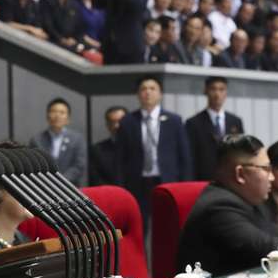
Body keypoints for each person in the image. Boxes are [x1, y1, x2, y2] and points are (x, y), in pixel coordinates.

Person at [176, 134, 278, 276]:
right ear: (240, 174)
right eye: (266, 169)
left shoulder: (248, 201)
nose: (271, 177)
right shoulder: (219, 205)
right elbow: (264, 247)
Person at [114, 75, 192, 226]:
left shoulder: (174, 120)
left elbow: (184, 156)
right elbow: (119, 158)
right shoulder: (127, 121)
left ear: (160, 93)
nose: (148, 92)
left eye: (152, 89)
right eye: (143, 89)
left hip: (167, 182)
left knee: (167, 226)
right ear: (138, 94)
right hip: (137, 184)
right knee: (137, 226)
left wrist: (185, 185)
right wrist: (120, 188)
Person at [185, 76, 245, 181]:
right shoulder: (194, 123)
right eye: (213, 89)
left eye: (221, 89)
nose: (217, 94)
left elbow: (240, 152)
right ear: (206, 91)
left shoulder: (235, 121)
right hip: (204, 178)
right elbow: (191, 156)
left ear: (226, 92)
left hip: (230, 177)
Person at [29, 98, 87, 186]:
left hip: (70, 187)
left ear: (68, 117)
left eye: (62, 112)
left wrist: (61, 181)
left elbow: (79, 165)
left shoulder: (77, 139)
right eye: (53, 111)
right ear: (47, 115)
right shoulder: (37, 139)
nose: (57, 116)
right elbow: (34, 165)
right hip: (44, 186)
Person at [89, 106, 127, 186]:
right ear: (107, 124)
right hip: (108, 194)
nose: (117, 126)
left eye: (120, 121)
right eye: (112, 122)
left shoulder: (140, 148)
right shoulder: (97, 150)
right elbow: (96, 178)